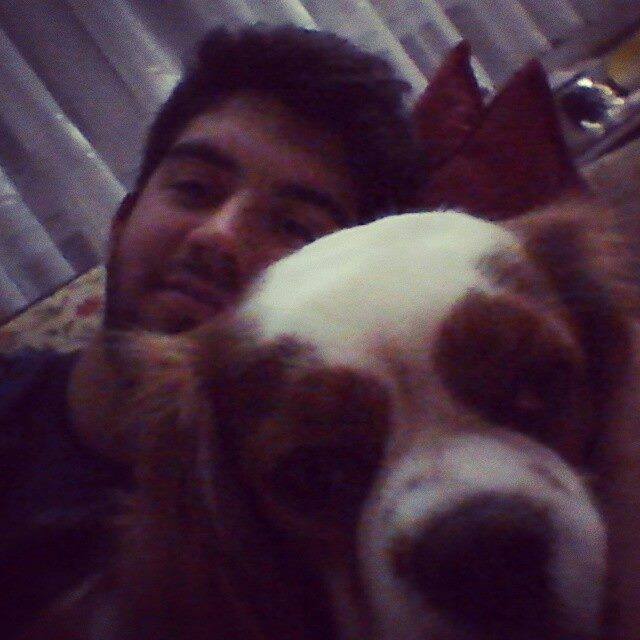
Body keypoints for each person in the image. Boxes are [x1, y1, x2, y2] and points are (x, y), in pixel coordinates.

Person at [0, 23, 419, 637]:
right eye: (195, 189)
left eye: (293, 227)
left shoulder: (343, 531)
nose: (218, 236)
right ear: (122, 220)